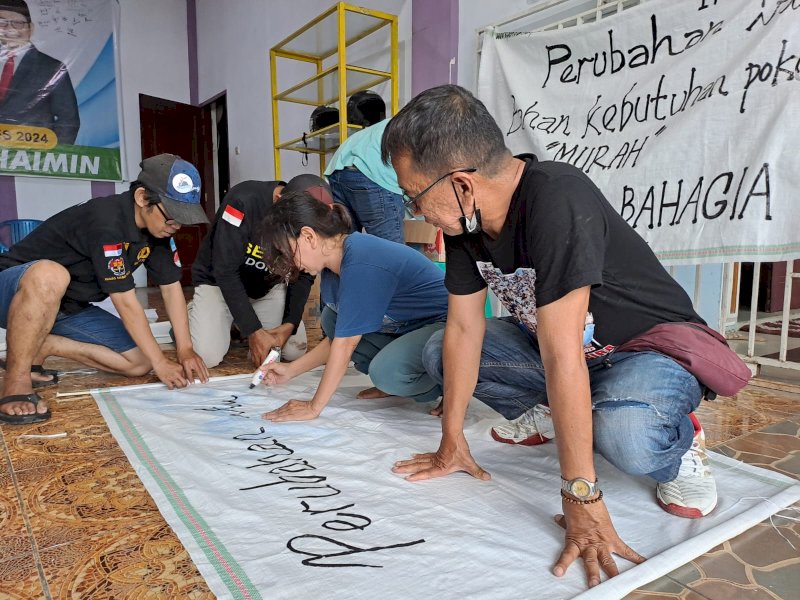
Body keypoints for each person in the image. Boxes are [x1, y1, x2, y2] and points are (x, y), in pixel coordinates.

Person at [382, 85, 718, 588]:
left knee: (625, 437)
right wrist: (451, 441)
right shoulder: (464, 224)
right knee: (437, 352)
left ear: (462, 185)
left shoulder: (556, 196)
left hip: (645, 351)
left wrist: (581, 494)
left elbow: (564, 356)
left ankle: (681, 440)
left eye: (415, 197)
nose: (417, 212)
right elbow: (464, 327)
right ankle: (556, 410)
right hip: (571, 353)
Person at [0, 153, 210, 425]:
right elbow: (125, 302)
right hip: (14, 292)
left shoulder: (158, 232)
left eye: (183, 219)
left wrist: (185, 349)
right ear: (142, 198)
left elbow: (171, 290)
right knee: (51, 274)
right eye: (172, 217)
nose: (177, 226)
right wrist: (162, 363)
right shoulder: (106, 219)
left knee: (139, 363)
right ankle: (15, 381)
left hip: (68, 308)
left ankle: (44, 344)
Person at [257, 192, 448, 422]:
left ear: (308, 236)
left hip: (444, 329)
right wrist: (290, 370)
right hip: (406, 329)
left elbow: (347, 343)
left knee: (386, 373)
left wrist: (313, 407)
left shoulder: (361, 259)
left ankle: (448, 385)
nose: (291, 262)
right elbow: (339, 336)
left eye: (287, 251)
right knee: (332, 319)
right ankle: (396, 384)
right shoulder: (331, 267)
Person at [189, 174, 333, 368]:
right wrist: (254, 330)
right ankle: (193, 313)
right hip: (218, 285)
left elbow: (304, 275)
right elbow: (225, 271)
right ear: (278, 203)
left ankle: (238, 323)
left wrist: (288, 326)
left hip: (264, 288)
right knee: (207, 356)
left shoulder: (316, 220)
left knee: (293, 351)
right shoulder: (242, 201)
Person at [0, 0, 80, 144]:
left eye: (17, 23)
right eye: (2, 23)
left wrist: (51, 156)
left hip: (30, 157)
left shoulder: (51, 68)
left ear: (31, 28)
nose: (9, 29)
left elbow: (68, 119)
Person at [324, 118, 405, 244]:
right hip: (371, 169)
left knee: (345, 247)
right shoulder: (431, 127)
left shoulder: (401, 121)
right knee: (390, 252)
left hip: (338, 168)